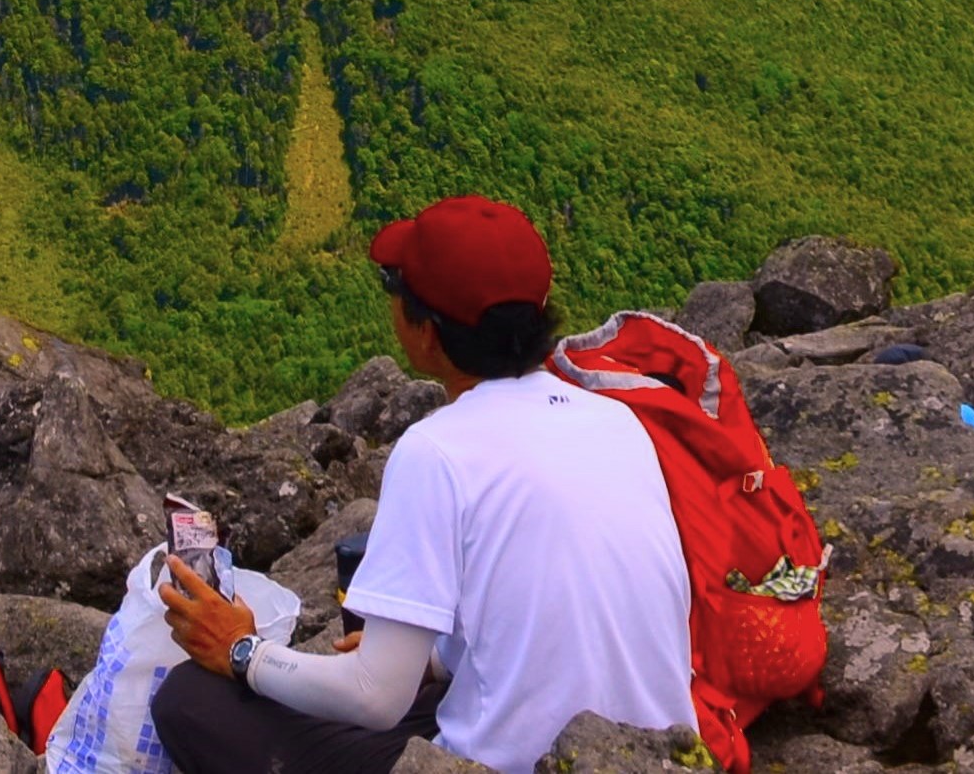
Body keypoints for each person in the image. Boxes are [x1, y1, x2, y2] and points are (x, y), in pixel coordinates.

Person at [154, 196, 690, 774]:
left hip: (522, 764)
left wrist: (240, 650)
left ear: (428, 334)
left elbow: (374, 698)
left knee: (190, 701)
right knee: (409, 681)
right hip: (656, 754)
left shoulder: (437, 450)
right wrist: (430, 662)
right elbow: (544, 612)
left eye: (396, 287)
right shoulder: (617, 422)